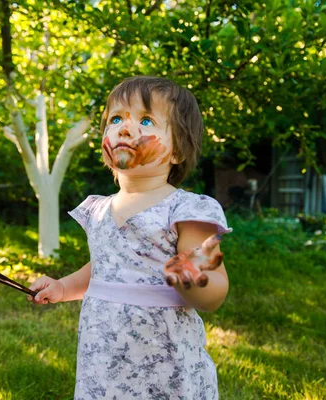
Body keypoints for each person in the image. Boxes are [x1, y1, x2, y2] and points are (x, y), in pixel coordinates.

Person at [27, 76, 231, 399]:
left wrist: (196, 281)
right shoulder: (99, 210)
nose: (124, 128)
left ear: (177, 150)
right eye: (116, 119)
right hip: (104, 364)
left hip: (165, 366)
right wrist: (63, 287)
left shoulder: (183, 210)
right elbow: (105, 267)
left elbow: (216, 288)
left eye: (146, 120)